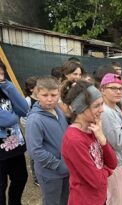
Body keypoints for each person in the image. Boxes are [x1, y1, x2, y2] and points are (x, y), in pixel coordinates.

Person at [61, 80, 117, 205]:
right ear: (81, 109)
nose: (102, 110)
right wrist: (106, 170)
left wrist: (102, 139)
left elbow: (113, 163)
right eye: (96, 106)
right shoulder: (74, 139)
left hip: (99, 198)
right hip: (84, 200)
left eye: (102, 104)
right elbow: (96, 180)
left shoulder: (94, 129)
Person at [26, 76, 69, 205]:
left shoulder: (58, 110)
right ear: (37, 94)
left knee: (65, 200)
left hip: (67, 168)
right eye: (45, 95)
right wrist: (58, 165)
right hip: (50, 173)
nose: (50, 99)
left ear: (59, 94)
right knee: (52, 202)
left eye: (53, 95)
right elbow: (34, 151)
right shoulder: (35, 120)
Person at [99, 73, 122, 204]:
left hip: (119, 162)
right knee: (119, 201)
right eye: (113, 88)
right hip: (115, 164)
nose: (118, 92)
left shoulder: (114, 107)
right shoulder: (105, 112)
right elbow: (118, 142)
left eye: (120, 88)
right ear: (102, 89)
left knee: (116, 199)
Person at [0, 62, 28, 205]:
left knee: (21, 178)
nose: (0, 77)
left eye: (2, 74)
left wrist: (8, 86)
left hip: (15, 146)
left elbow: (24, 109)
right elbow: (6, 120)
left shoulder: (5, 88)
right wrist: (13, 116)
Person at [20, 76, 39, 186]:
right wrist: (31, 128)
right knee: (33, 155)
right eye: (38, 86)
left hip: (40, 131)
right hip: (31, 132)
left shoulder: (41, 99)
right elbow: (23, 118)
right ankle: (36, 178)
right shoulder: (27, 101)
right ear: (32, 89)